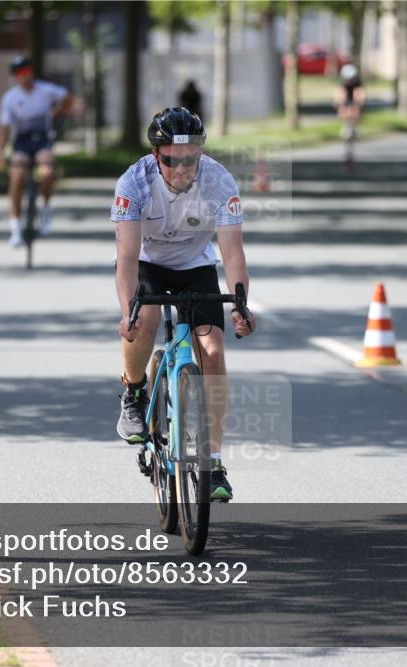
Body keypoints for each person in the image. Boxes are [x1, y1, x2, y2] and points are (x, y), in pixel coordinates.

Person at [112, 107, 256, 501]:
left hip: (195, 265)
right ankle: (135, 391)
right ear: (155, 155)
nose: (181, 169)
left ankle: (213, 462)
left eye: (190, 159)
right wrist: (128, 311)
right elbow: (125, 257)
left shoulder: (218, 180)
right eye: (171, 160)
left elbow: (232, 254)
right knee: (144, 318)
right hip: (148, 263)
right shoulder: (134, 183)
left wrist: (241, 304)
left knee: (212, 349)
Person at [0, 55, 71, 246]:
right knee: (17, 177)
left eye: (27, 71)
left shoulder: (45, 90)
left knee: (46, 173)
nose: (24, 76)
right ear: (15, 76)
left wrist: (57, 112)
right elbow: (5, 128)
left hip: (42, 140)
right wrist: (1, 153)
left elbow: (66, 97)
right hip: (22, 142)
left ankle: (45, 210)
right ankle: (15, 228)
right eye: (20, 73)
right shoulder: (10, 98)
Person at [333, 64, 366, 167]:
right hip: (346, 116)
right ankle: (348, 155)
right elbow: (337, 101)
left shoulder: (358, 89)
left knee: (352, 134)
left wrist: (357, 106)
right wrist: (342, 106)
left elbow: (361, 101)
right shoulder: (341, 89)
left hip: (354, 116)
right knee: (347, 134)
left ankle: (350, 153)